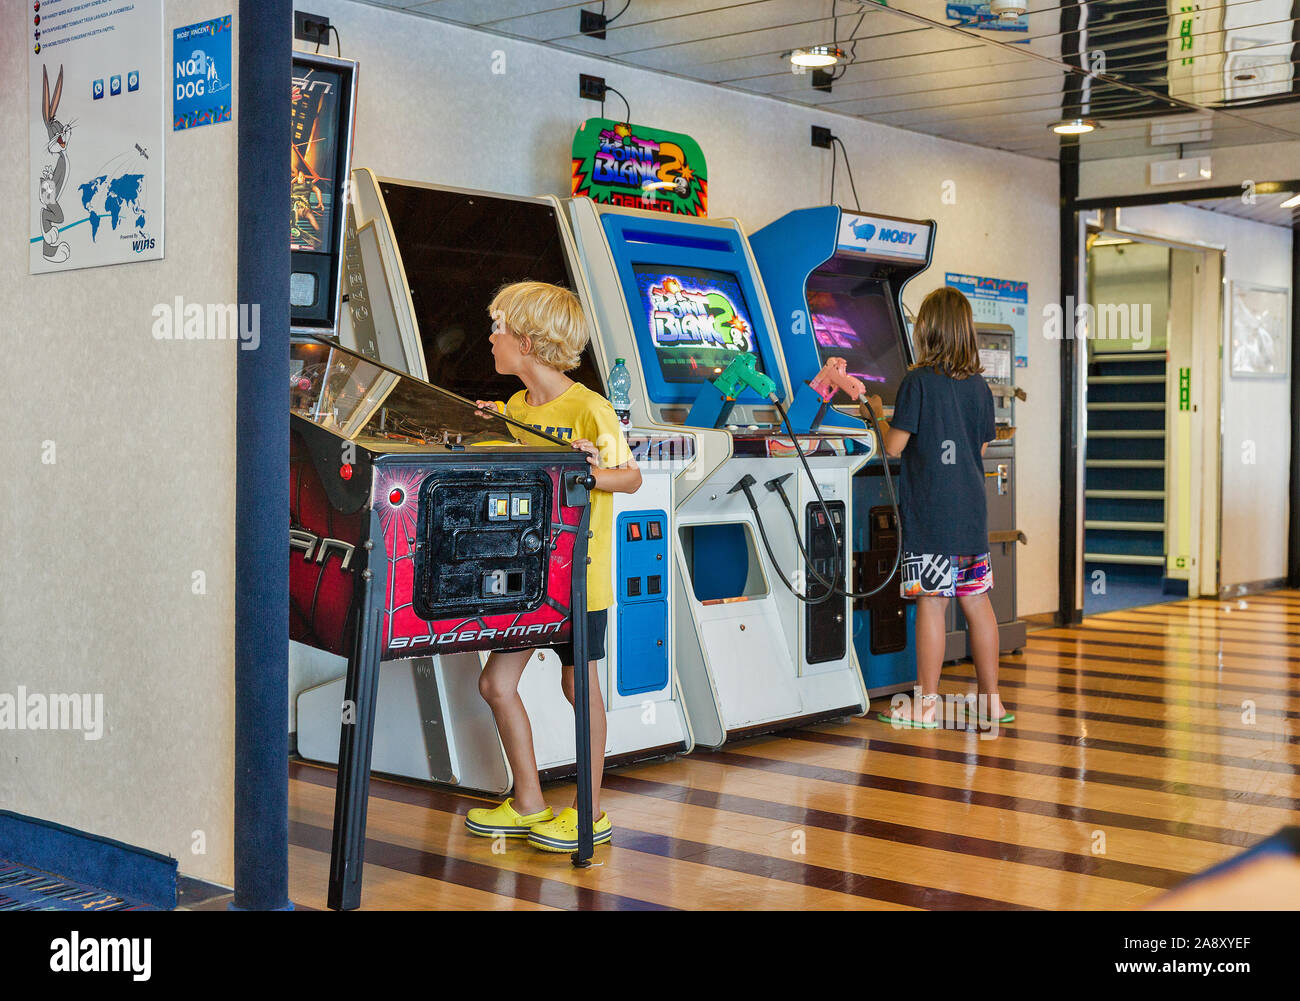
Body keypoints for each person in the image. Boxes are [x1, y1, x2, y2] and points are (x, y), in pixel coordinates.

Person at [464, 281, 642, 851]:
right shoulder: (518, 407)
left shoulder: (591, 407)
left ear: (530, 342)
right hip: (528, 574)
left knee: (577, 688)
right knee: (496, 682)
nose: (490, 337)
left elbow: (628, 477)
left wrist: (592, 470)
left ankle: (589, 812)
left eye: (498, 328)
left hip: (578, 579)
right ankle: (529, 801)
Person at [862, 287, 1012, 730]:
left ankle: (925, 706)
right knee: (977, 603)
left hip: (930, 516)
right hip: (970, 516)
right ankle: (991, 703)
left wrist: (874, 412)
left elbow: (894, 445)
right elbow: (979, 446)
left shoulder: (918, 382)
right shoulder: (980, 387)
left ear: (926, 332)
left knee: (932, 604)